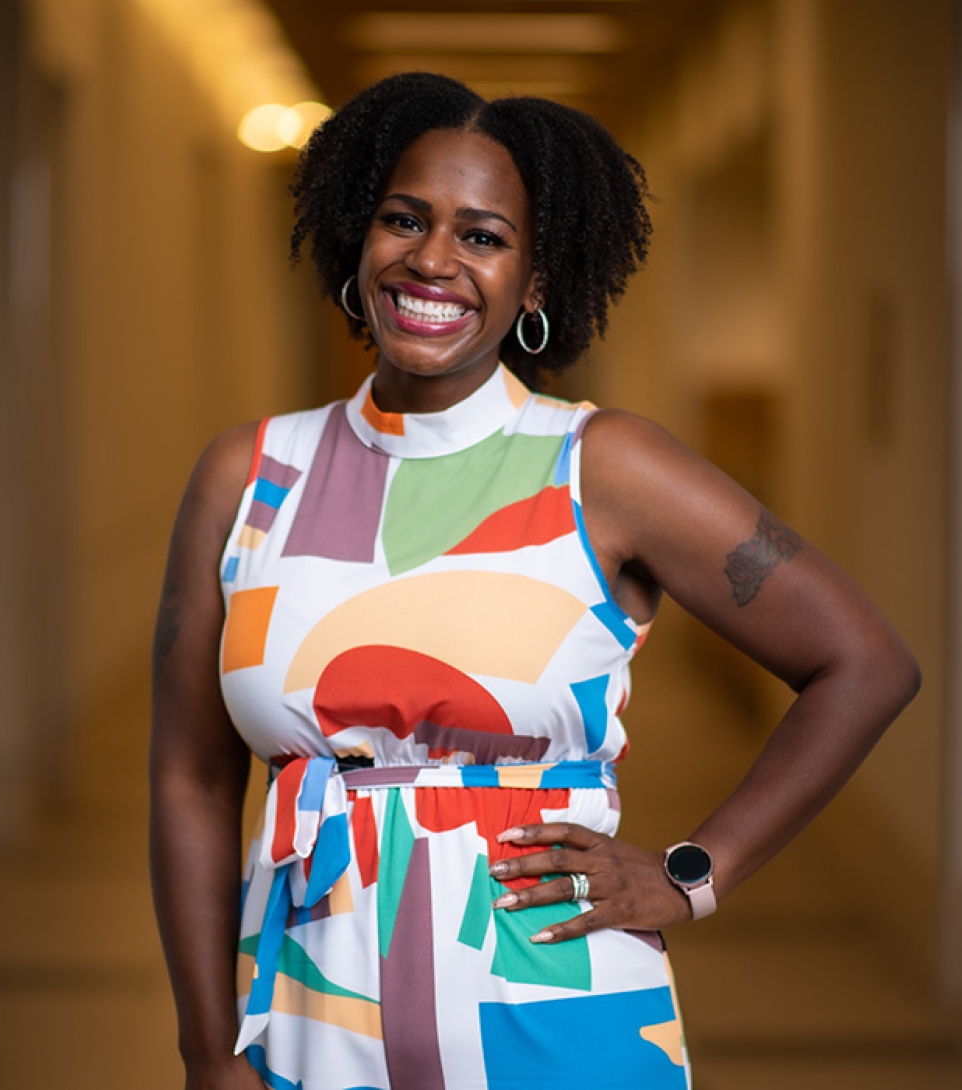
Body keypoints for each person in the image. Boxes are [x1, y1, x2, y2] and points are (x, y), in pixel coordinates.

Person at [149, 72, 920, 1090]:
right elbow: (193, 778)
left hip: (555, 1011)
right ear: (356, 239)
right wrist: (209, 1053)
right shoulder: (250, 477)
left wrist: (694, 873)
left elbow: (862, 662)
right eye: (403, 220)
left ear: (536, 280)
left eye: (481, 237)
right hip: (307, 1010)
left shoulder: (604, 468)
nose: (431, 259)